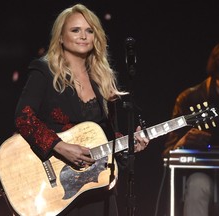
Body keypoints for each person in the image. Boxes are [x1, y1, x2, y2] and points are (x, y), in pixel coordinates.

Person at [14, 3, 149, 216]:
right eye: (75, 30)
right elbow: (24, 118)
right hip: (58, 188)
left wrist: (129, 145)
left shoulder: (102, 80)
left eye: (89, 31)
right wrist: (59, 146)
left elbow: (106, 137)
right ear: (60, 37)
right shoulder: (43, 71)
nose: (83, 36)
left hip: (96, 186)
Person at [163, 41, 219, 216]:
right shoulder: (190, 99)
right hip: (203, 173)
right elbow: (168, 154)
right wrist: (183, 142)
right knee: (197, 186)